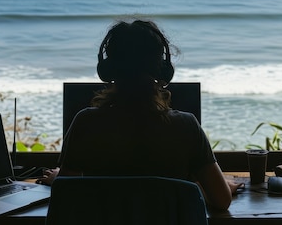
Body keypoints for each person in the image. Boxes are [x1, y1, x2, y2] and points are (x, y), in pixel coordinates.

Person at [39, 18, 242, 210]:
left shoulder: (86, 123)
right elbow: (221, 201)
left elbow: (67, 196)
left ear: (108, 69)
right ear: (163, 69)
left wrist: (59, 180)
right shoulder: (186, 126)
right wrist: (220, 188)